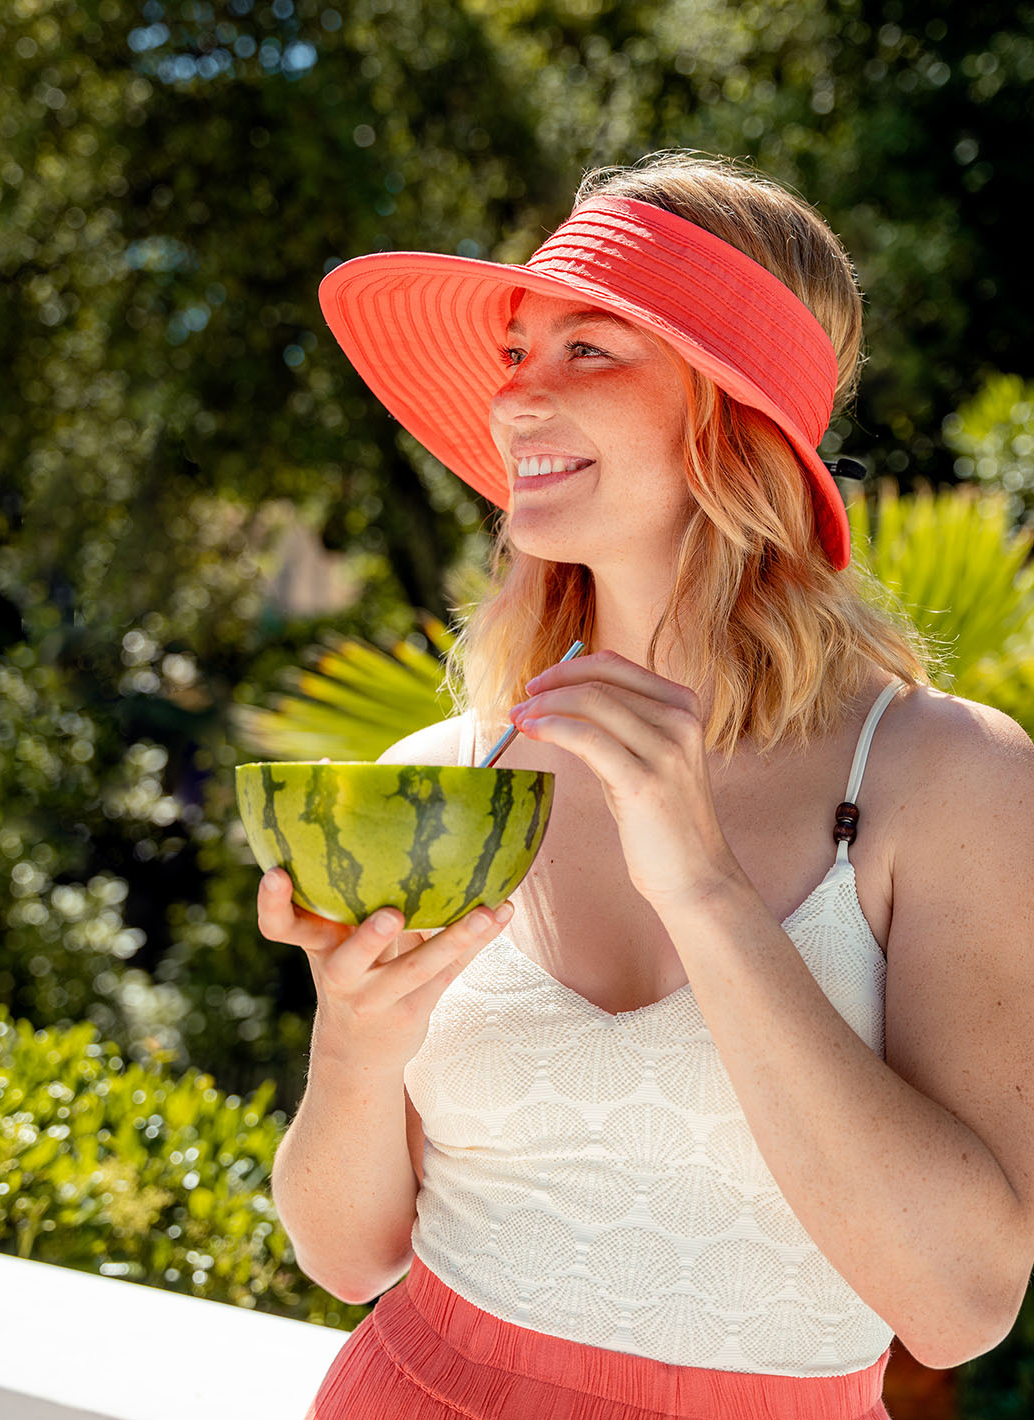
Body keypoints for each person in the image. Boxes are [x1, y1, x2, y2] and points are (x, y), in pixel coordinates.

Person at [259, 153, 1034, 1420]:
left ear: (730, 418)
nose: (516, 401)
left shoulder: (944, 782)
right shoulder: (446, 782)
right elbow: (346, 1258)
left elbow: (958, 1306)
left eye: (590, 351)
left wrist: (704, 886)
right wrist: (356, 1040)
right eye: (518, 354)